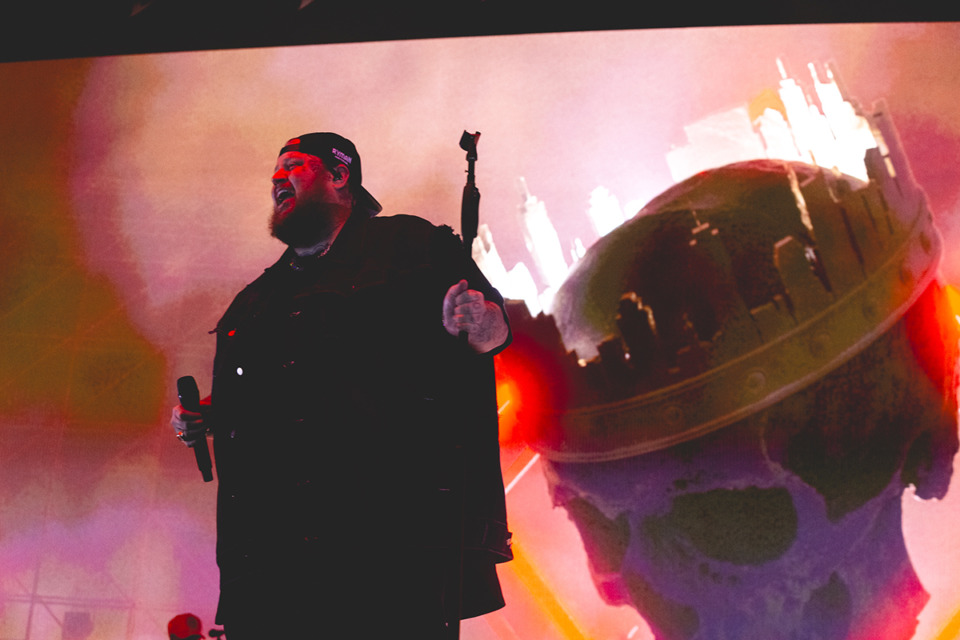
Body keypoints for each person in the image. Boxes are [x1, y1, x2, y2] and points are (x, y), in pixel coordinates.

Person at [171, 133, 513, 638]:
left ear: (338, 175)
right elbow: (275, 389)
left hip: (388, 552)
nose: (276, 178)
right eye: (274, 170)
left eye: (293, 165)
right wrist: (207, 413)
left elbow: (494, 330)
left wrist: (480, 322)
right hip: (271, 565)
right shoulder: (257, 299)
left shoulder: (411, 246)